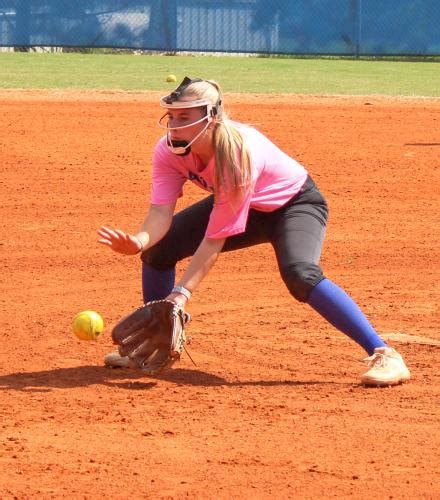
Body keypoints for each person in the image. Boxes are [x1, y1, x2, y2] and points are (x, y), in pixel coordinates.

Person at [98, 77, 410, 386]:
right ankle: (151, 344)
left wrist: (180, 295)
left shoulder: (236, 154)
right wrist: (139, 241)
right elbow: (160, 213)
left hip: (293, 206)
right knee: (158, 249)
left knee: (301, 274)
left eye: (185, 117)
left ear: (212, 118)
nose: (174, 126)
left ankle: (385, 353)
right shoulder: (169, 151)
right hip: (244, 205)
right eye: (172, 116)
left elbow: (213, 240)